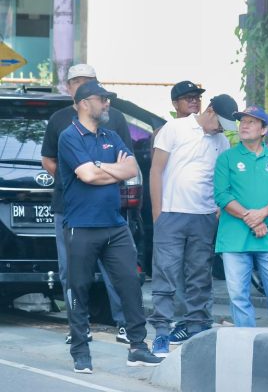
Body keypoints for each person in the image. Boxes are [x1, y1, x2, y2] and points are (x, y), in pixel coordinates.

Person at [58, 81, 163, 373]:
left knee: (130, 284)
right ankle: (80, 352)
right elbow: (86, 176)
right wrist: (106, 170)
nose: (106, 104)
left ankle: (138, 347)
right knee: (78, 289)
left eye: (107, 99)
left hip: (115, 226)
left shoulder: (111, 135)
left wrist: (99, 168)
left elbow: (131, 170)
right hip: (82, 226)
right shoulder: (69, 136)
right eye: (101, 99)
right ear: (82, 103)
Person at [41, 64, 130, 345]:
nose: (82, 86)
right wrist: (75, 179)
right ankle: (78, 327)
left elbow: (128, 165)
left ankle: (125, 325)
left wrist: (95, 175)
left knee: (116, 270)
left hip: (108, 210)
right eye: (76, 82)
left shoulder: (113, 118)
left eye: (88, 81)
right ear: (69, 88)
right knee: (72, 272)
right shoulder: (59, 120)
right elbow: (49, 160)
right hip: (69, 209)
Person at [149, 94, 237, 356]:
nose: (221, 129)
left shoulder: (220, 141)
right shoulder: (174, 128)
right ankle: (162, 332)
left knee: (199, 276)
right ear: (209, 110)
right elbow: (156, 170)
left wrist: (218, 210)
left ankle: (197, 327)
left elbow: (223, 179)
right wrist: (157, 213)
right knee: (165, 275)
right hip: (171, 213)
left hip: (205, 216)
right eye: (220, 122)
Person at [214, 106, 268, 327]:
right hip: (234, 239)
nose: (245, 125)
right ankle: (246, 345)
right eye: (242, 121)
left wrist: (261, 214)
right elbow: (222, 195)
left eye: (252, 122)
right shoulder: (227, 158)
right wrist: (251, 219)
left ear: (264, 129)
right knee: (239, 298)